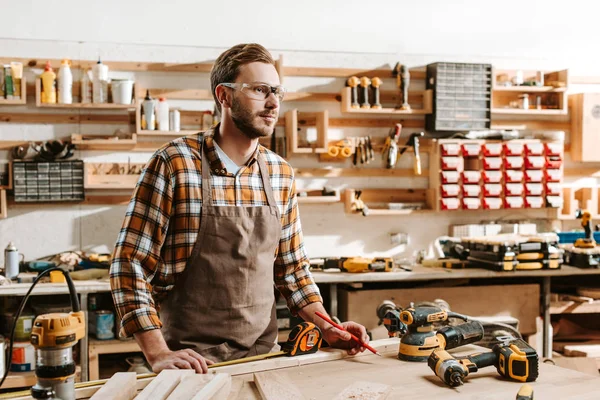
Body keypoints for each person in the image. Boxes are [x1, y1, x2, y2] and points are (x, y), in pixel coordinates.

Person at [110, 43, 370, 374]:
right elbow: (129, 265)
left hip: (264, 357)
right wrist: (157, 351)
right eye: (260, 90)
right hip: (190, 364)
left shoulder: (280, 174)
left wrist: (326, 325)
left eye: (277, 91)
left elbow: (292, 270)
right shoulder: (175, 163)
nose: (274, 102)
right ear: (225, 96)